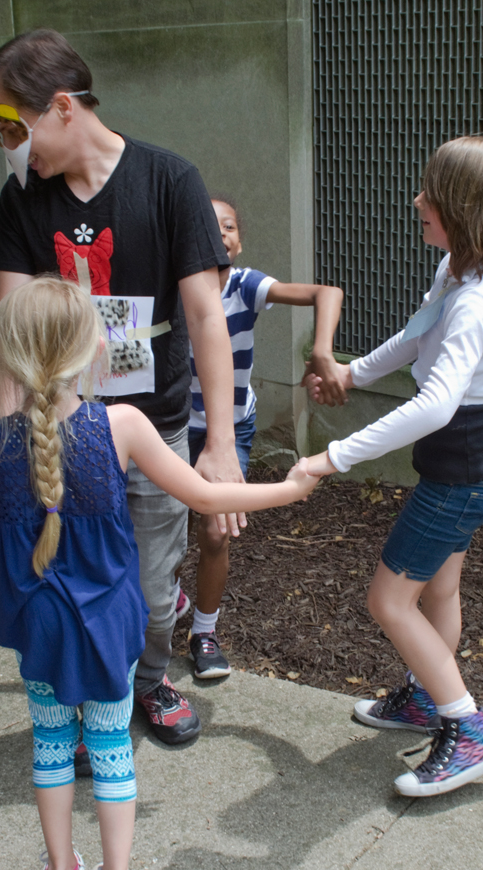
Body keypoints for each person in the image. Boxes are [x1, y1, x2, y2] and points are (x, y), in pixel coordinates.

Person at [0, 276, 319, 870]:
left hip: (38, 622)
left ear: (10, 352)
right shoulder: (122, 424)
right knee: (111, 747)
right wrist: (290, 489)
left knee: (50, 745)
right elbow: (208, 496)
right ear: (90, 348)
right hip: (110, 622)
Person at [0, 28, 245, 747]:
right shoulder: (22, 201)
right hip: (61, 432)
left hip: (152, 424)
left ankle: (149, 679)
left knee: (155, 595)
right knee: (66, 586)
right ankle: (95, 705)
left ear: (62, 106)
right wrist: (10, 443)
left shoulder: (168, 181)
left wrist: (219, 443)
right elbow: (12, 327)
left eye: (11, 125)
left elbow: (203, 316)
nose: (8, 145)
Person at [302, 136, 483, 797]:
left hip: (462, 472)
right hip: (471, 465)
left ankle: (468, 730)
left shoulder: (479, 298)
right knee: (437, 592)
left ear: (471, 211)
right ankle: (425, 696)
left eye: (431, 194)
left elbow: (437, 405)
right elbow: (416, 334)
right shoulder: (458, 271)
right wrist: (353, 372)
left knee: (388, 599)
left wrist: (331, 458)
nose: (417, 200)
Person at [181, 196, 346, 678]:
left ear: (239, 239)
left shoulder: (245, 285)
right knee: (164, 536)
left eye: (230, 227)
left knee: (215, 531)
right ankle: (167, 603)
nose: (222, 236)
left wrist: (321, 352)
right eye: (209, 227)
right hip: (171, 428)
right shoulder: (171, 284)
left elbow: (327, 292)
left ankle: (204, 633)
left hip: (231, 428)